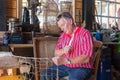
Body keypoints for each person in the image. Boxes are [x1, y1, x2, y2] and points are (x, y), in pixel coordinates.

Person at [41, 12, 93, 80]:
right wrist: (63, 51)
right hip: (65, 66)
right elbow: (56, 52)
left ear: (70, 21)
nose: (62, 29)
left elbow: (86, 58)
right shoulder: (63, 35)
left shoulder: (85, 34)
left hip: (81, 67)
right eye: (60, 27)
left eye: (63, 25)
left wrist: (66, 61)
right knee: (45, 74)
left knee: (74, 78)